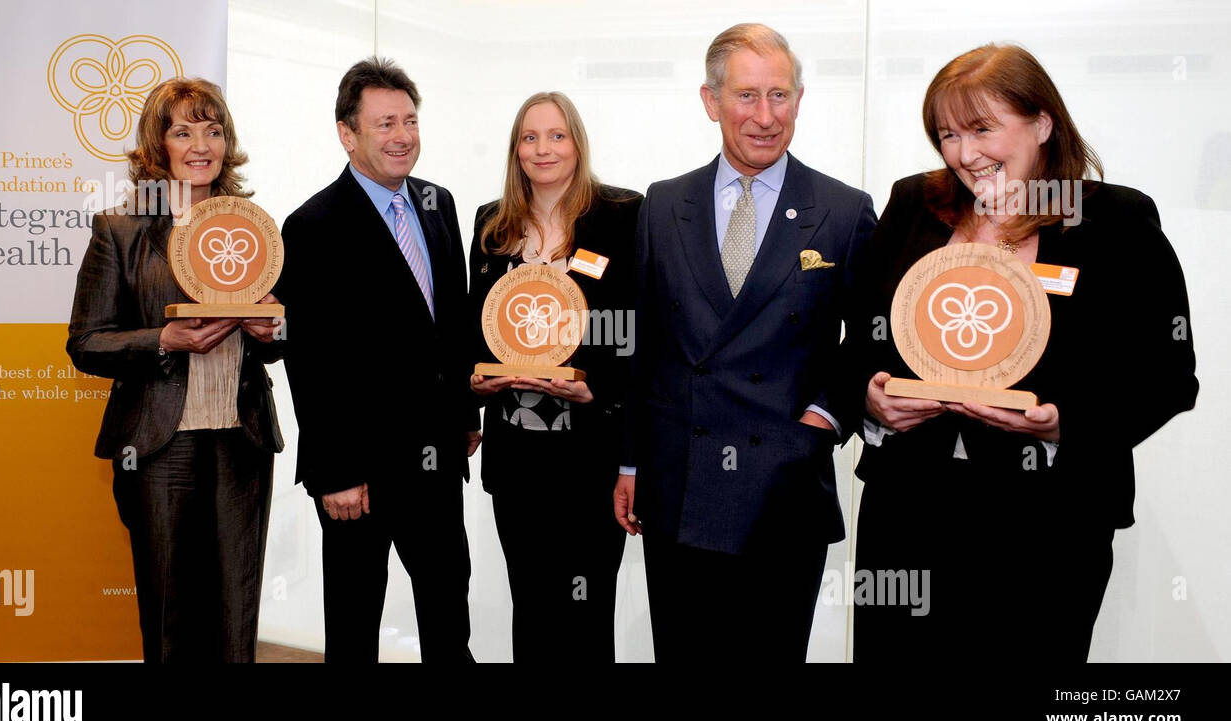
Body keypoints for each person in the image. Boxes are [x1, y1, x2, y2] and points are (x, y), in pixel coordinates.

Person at [848, 43, 1198, 662]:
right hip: (909, 514)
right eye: (948, 134)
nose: (965, 153)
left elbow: (1170, 375)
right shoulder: (914, 205)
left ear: (1041, 123)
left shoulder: (1113, 221)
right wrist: (870, 401)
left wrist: (1067, 422)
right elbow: (859, 338)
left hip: (1049, 525)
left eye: (983, 128)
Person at [613, 23, 876, 662]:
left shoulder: (843, 210)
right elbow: (640, 346)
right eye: (747, 97)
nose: (765, 116)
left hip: (784, 478)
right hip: (681, 480)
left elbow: (870, 339)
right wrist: (629, 463)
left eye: (780, 96)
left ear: (800, 99)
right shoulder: (663, 203)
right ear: (711, 101)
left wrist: (824, 416)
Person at [67, 77, 284, 662]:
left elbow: (282, 332)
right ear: (156, 144)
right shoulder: (120, 230)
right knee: (169, 615)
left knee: (236, 613)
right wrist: (163, 338)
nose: (200, 145)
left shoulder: (253, 228)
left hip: (242, 440)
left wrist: (274, 330)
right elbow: (85, 342)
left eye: (213, 131)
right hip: (158, 445)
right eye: (182, 130)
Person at [274, 57, 479, 663]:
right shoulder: (312, 225)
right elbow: (308, 359)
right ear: (348, 134)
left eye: (410, 121)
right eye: (385, 122)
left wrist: (466, 414)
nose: (402, 136)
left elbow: (455, 324)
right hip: (356, 472)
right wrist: (334, 470)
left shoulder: (439, 204)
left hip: (437, 457)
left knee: (448, 618)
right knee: (355, 624)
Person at [467, 92, 641, 663]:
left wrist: (598, 388)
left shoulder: (621, 215)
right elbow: (477, 329)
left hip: (589, 455)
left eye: (557, 135)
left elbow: (644, 332)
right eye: (530, 137)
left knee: (587, 611)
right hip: (517, 456)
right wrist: (475, 384)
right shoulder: (492, 225)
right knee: (533, 607)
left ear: (578, 143)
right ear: (516, 149)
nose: (543, 149)